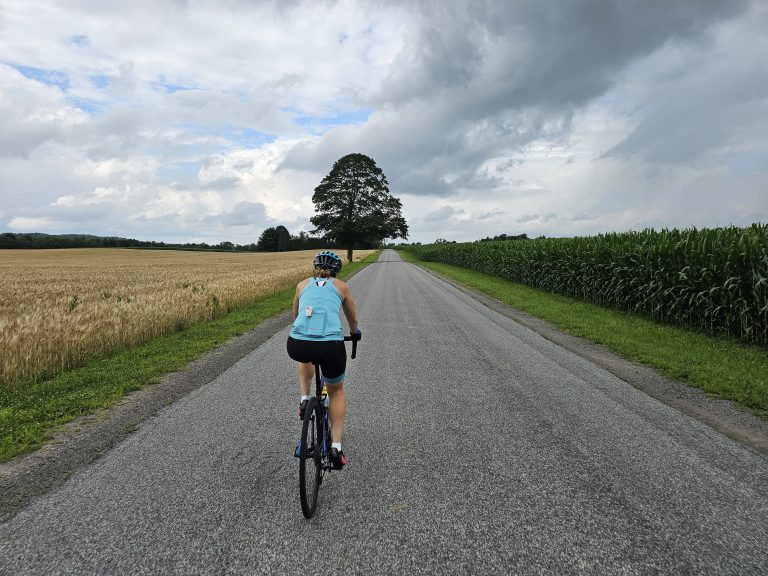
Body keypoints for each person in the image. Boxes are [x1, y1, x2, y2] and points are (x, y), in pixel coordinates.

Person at [287, 251, 360, 469]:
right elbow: (353, 320)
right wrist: (354, 333)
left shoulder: (302, 285)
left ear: (315, 267)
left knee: (305, 354)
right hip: (330, 346)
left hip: (297, 343)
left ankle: (304, 398)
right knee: (336, 392)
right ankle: (336, 447)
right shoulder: (341, 286)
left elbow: (296, 317)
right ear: (337, 270)